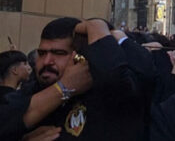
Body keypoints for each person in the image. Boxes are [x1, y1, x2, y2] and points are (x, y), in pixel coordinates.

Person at [0, 17, 148, 141]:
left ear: (80, 58)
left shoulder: (105, 96)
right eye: (42, 53)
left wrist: (97, 27)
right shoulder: (32, 91)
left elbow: (117, 78)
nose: (47, 61)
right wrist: (63, 88)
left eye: (58, 53)